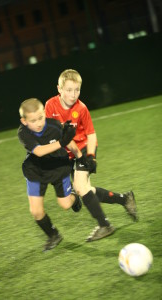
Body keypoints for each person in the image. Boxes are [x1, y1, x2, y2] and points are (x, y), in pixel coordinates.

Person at [45, 69, 138, 242]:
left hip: (83, 150)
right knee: (85, 190)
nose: (73, 95)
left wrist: (90, 156)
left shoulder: (81, 108)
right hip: (67, 154)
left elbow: (91, 134)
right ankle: (124, 199)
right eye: (69, 90)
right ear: (59, 89)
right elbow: (56, 137)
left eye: (77, 90)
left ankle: (105, 225)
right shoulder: (50, 106)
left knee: (80, 188)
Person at [18, 98, 83, 251]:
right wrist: (61, 142)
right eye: (33, 120)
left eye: (41, 117)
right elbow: (39, 151)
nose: (39, 123)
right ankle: (54, 235)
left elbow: (69, 142)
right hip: (36, 169)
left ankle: (74, 196)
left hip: (58, 166)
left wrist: (80, 157)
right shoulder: (23, 133)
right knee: (36, 211)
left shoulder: (54, 125)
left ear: (44, 113)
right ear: (24, 121)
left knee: (66, 205)